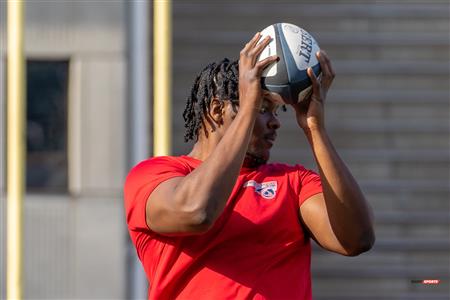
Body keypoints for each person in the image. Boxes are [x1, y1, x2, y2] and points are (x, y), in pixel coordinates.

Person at [124, 32, 375, 300]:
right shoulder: (153, 175)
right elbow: (197, 211)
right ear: (218, 111)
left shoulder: (294, 181)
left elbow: (356, 239)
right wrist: (248, 109)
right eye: (262, 108)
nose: (276, 122)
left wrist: (315, 129)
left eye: (276, 111)